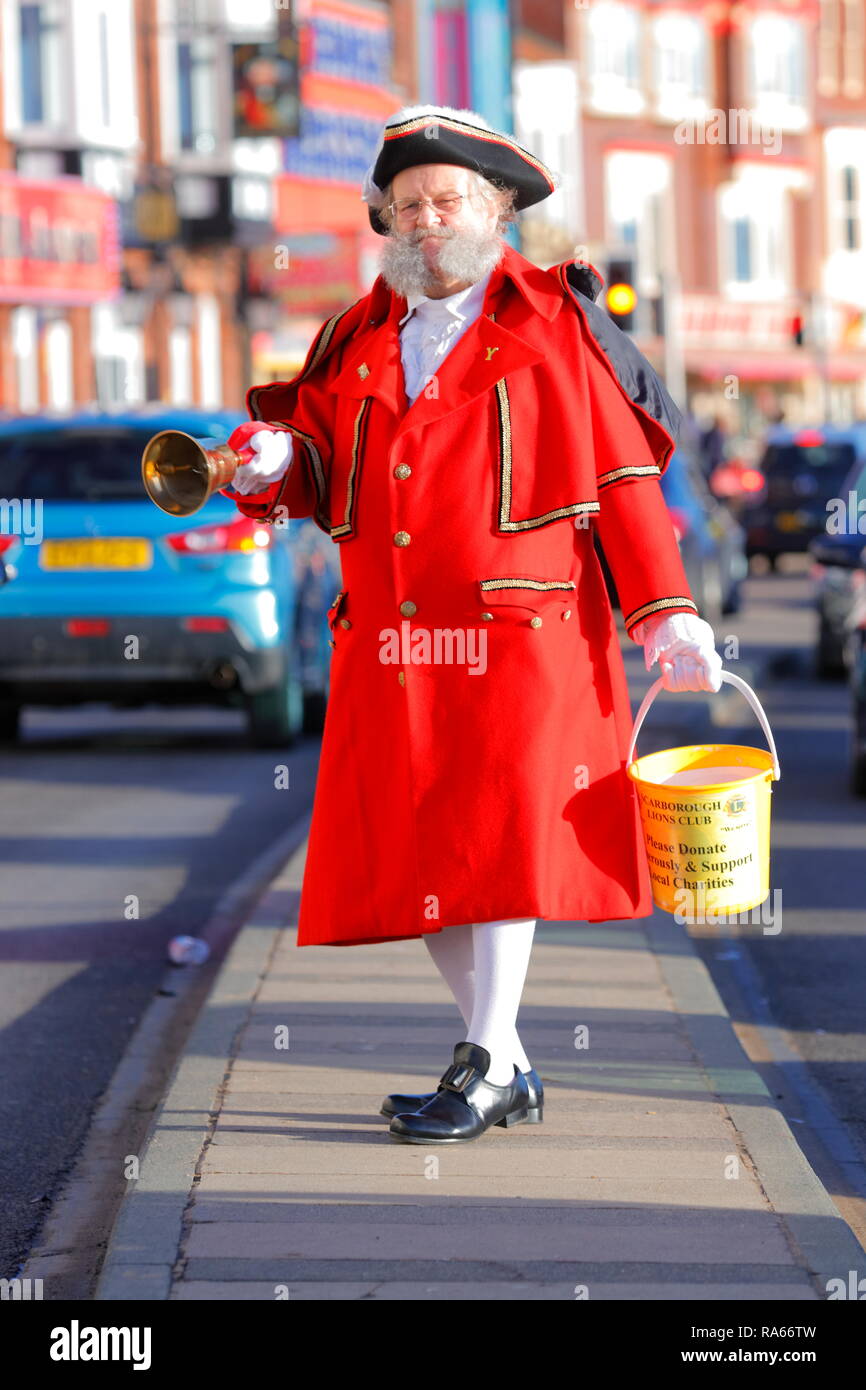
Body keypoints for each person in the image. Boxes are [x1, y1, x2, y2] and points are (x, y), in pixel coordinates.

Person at [223, 105, 723, 1144]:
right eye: (404, 205)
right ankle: (504, 1058)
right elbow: (323, 469)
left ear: (493, 209)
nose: (422, 220)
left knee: (499, 846)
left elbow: (622, 477)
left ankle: (488, 1059)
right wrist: (277, 464)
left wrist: (664, 613)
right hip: (389, 643)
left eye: (444, 200)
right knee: (424, 861)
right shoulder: (356, 335)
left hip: (522, 639)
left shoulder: (551, 322)